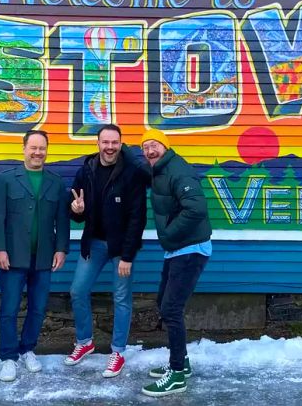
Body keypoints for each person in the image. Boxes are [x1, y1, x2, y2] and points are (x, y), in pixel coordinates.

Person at [64, 124, 148, 377]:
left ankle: (118, 351)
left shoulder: (131, 173)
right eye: (105, 142)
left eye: (114, 142)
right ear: (98, 143)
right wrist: (76, 211)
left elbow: (138, 218)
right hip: (95, 243)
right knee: (77, 291)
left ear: (121, 144)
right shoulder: (86, 171)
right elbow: (77, 212)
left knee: (121, 298)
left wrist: (128, 255)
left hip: (120, 248)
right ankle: (85, 341)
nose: (110, 147)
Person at [0, 130, 70, 382]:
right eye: (33, 147)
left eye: (42, 148)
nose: (38, 153)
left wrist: (61, 248)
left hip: (44, 257)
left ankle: (27, 349)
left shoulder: (55, 182)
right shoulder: (6, 179)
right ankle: (8, 357)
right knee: (9, 309)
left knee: (38, 308)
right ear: (23, 148)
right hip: (13, 257)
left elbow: (62, 220)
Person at [139, 129, 212, 397]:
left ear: (165, 147)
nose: (149, 150)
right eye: (145, 146)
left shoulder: (178, 170)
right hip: (177, 249)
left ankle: (177, 375)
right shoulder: (159, 170)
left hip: (190, 248)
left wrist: (168, 233)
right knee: (163, 303)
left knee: (171, 308)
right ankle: (182, 361)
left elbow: (196, 208)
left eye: (154, 145)